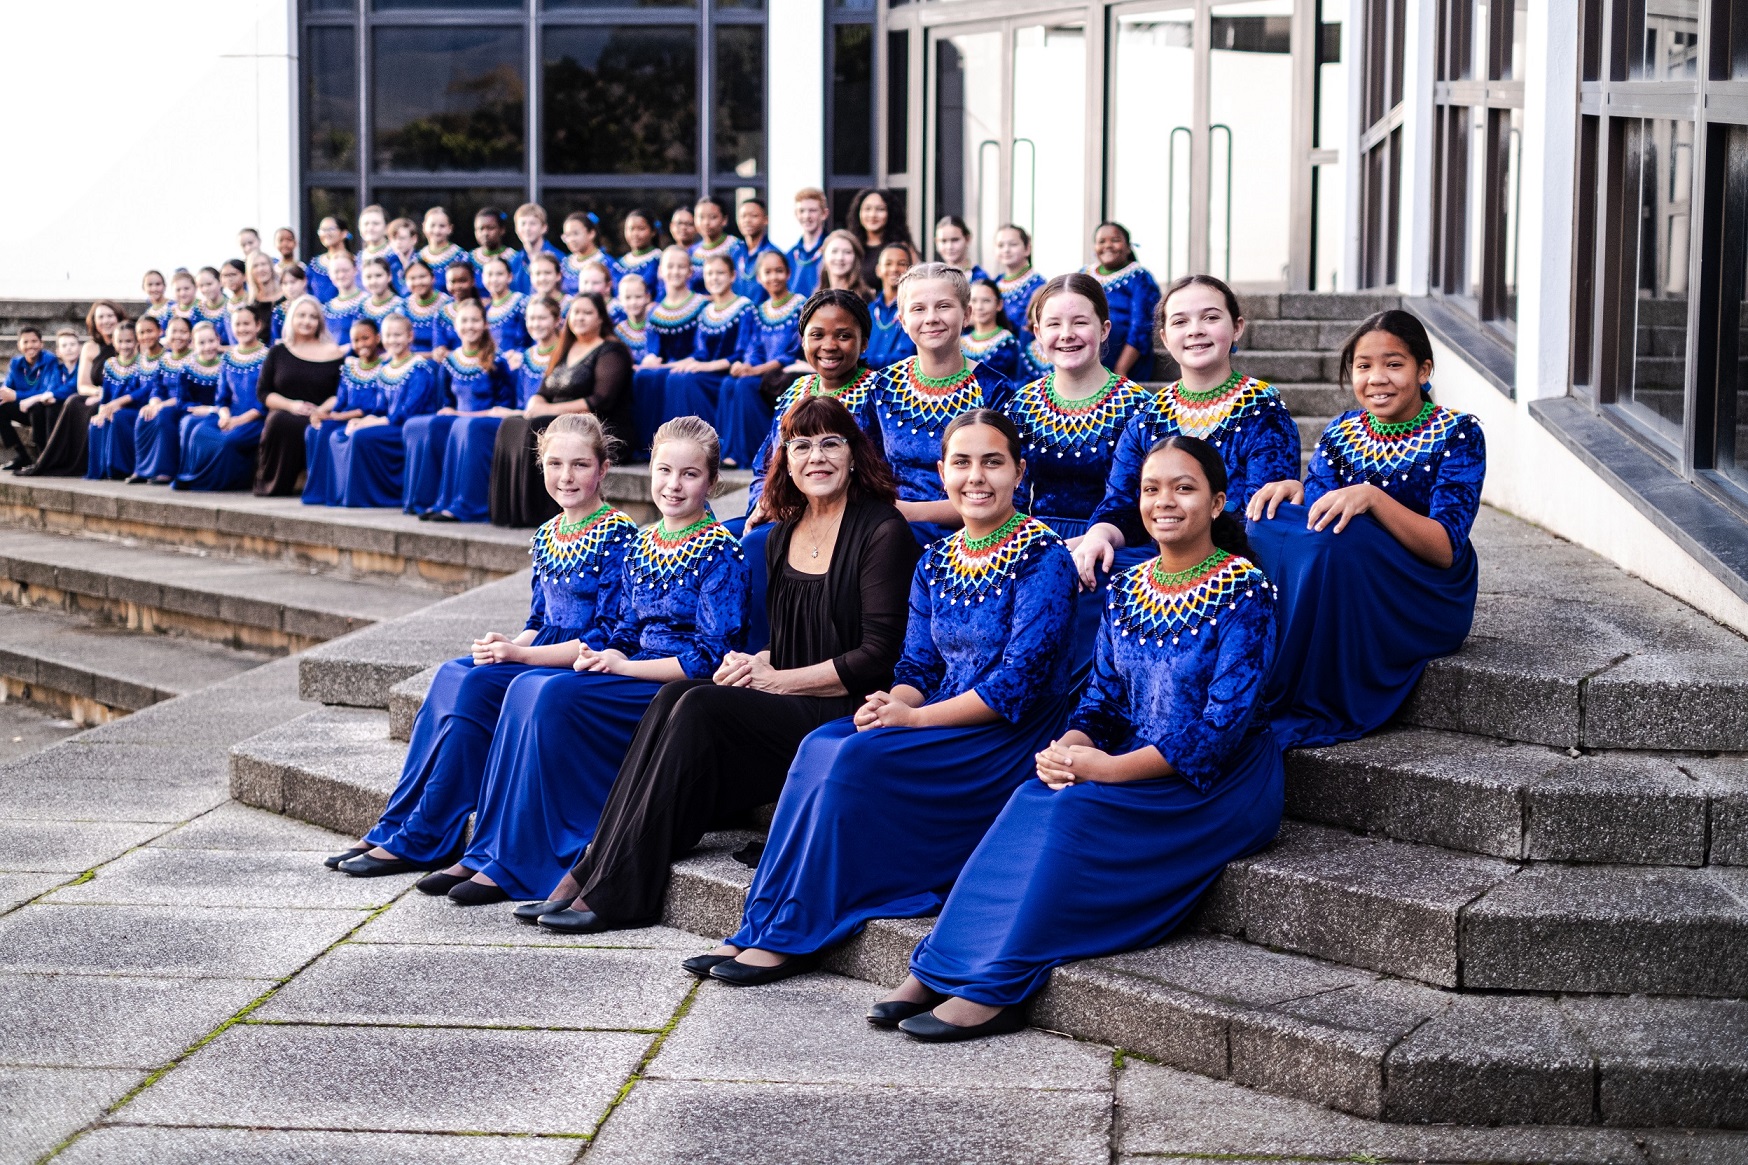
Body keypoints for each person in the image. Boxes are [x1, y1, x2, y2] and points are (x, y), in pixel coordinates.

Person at [888, 435, 1283, 1042]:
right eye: (1151, 489)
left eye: (1183, 488)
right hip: (1135, 758)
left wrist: (1106, 770)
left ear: (1217, 502)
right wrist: (1071, 747)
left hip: (1219, 782)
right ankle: (941, 964)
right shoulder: (1129, 588)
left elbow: (1219, 729)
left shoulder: (1246, 591)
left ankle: (997, 985)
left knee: (1073, 815)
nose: (1164, 501)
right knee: (1032, 796)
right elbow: (1102, 701)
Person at [699, 410, 1077, 983]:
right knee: (822, 744)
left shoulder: (1045, 557)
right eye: (962, 463)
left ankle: (797, 930)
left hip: (1004, 733)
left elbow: (1016, 684)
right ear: (943, 473)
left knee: (852, 761)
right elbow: (917, 665)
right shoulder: (938, 559)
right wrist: (891, 703)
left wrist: (914, 720)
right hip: (937, 712)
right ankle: (762, 920)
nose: (976, 477)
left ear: (1019, 472)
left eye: (992, 462)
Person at [530, 401, 911, 934]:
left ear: (854, 455)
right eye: (801, 446)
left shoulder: (882, 530)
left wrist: (777, 679)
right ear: (786, 460)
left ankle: (622, 889)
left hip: (843, 706)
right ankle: (595, 862)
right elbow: (788, 642)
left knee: (700, 705)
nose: (816, 457)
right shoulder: (785, 532)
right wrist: (754, 661)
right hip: (791, 695)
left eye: (830, 443)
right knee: (674, 696)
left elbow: (877, 656)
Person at [426, 417, 748, 904]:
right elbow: (624, 631)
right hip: (631, 670)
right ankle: (492, 849)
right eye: (664, 471)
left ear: (712, 481)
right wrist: (606, 656)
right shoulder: (644, 544)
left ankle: (538, 856)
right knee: (526, 686)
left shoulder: (722, 552)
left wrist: (623, 666)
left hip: (674, 687)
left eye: (690, 474)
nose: (673, 485)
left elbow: (710, 656)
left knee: (551, 694)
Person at [327, 413, 641, 876]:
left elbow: (606, 635)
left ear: (603, 469)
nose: (566, 476)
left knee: (476, 686)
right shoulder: (548, 532)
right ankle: (396, 822)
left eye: (580, 465)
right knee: (454, 673)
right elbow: (538, 620)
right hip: (540, 648)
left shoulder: (618, 534)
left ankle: (427, 832)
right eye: (555, 464)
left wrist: (521, 655)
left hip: (581, 660)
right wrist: (506, 645)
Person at [1245, 310, 1485, 749]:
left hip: (1428, 591)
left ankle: (1320, 686)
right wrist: (1295, 490)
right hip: (1355, 571)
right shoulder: (1342, 430)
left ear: (1423, 371)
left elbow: (1444, 548)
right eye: (1363, 366)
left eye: (1394, 364)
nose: (1377, 378)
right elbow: (1316, 522)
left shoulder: (1458, 434)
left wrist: (1373, 497)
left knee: (1345, 536)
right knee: (1268, 519)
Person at [1074, 275, 1299, 588]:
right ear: (1165, 338)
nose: (1195, 330)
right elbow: (1121, 506)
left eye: (1210, 318)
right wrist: (1099, 535)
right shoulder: (1146, 419)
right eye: (1180, 321)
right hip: (1155, 560)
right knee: (1088, 567)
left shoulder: (1264, 414)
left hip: (1235, 566)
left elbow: (1261, 520)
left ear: (1237, 327)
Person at [856, 263, 1014, 544]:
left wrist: (909, 513)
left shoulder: (994, 390)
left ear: (967, 314)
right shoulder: (882, 387)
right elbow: (866, 470)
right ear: (902, 320)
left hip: (973, 532)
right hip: (890, 532)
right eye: (918, 309)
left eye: (943, 306)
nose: (931, 318)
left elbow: (1006, 491)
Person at [491, 292, 635, 528]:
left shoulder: (612, 351)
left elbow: (600, 400)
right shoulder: (565, 348)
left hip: (596, 425)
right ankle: (513, 511)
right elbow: (544, 390)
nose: (580, 318)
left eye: (587, 312)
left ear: (600, 318)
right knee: (511, 424)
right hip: (560, 419)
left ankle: (538, 511)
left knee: (536, 425)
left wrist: (550, 409)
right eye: (576, 312)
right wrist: (536, 402)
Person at [318, 313, 443, 507]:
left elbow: (410, 409)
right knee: (339, 435)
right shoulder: (385, 368)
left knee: (361, 437)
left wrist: (377, 422)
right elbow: (380, 407)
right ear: (382, 339)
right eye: (388, 336)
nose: (393, 340)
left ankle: (371, 496)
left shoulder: (419, 368)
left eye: (398, 335)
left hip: (407, 427)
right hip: (388, 422)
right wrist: (363, 420)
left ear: (410, 336)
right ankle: (343, 495)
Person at [404, 298, 513, 517]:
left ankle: (465, 505)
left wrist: (460, 414)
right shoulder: (450, 362)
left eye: (475, 320)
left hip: (487, 421)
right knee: (424, 425)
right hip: (459, 419)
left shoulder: (497, 361)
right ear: (455, 325)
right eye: (464, 321)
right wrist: (451, 412)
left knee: (466, 426)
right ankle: (432, 500)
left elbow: (505, 406)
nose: (469, 326)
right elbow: (446, 402)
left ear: (485, 324)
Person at [715, 251, 804, 469]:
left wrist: (757, 370)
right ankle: (728, 451)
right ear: (759, 278)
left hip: (786, 372)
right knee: (729, 383)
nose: (774, 277)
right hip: (763, 371)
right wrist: (747, 365)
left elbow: (793, 351)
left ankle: (754, 452)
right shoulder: (760, 310)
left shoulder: (799, 305)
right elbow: (754, 346)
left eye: (779, 271)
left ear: (788, 273)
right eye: (768, 272)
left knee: (745, 386)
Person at [247, 298, 344, 496]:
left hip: (321, 414)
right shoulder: (278, 351)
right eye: (302, 315)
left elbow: (341, 393)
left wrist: (320, 411)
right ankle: (279, 482)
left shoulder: (334, 352)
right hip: (286, 412)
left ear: (320, 322)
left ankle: (312, 481)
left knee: (318, 427)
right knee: (278, 421)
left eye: (313, 317)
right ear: (292, 318)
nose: (307, 321)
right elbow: (263, 392)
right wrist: (292, 406)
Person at [19, 301, 121, 478]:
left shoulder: (127, 341)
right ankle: (55, 460)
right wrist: (98, 393)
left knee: (86, 407)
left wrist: (106, 397)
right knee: (73, 402)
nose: (106, 321)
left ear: (118, 317)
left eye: (110, 316)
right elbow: (83, 385)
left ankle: (86, 463)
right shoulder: (90, 347)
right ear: (94, 322)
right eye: (101, 317)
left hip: (120, 395)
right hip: (97, 393)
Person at [174, 310, 272, 492]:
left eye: (246, 324)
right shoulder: (228, 357)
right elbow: (222, 397)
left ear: (257, 325)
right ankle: (194, 477)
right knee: (199, 431)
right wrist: (225, 415)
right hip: (230, 415)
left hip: (255, 419)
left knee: (229, 440)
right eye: (237, 324)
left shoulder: (268, 357)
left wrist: (237, 421)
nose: (242, 329)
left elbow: (264, 402)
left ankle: (227, 482)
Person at [659, 254, 755, 437]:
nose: (714, 278)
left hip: (729, 371)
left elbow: (743, 351)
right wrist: (681, 364)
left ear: (732, 276)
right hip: (708, 371)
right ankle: (677, 437)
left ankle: (707, 437)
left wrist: (708, 366)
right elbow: (701, 352)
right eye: (709, 274)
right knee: (675, 376)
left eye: (720, 273)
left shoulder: (744, 307)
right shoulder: (706, 312)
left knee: (688, 380)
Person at [300, 319, 384, 506]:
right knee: (314, 430)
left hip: (366, 419)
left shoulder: (384, 368)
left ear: (377, 338)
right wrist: (323, 414)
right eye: (356, 340)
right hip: (342, 416)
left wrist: (335, 416)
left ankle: (337, 492)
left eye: (366, 338)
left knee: (329, 432)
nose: (361, 344)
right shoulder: (349, 369)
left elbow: (370, 408)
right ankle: (320, 491)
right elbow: (341, 400)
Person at [631, 247, 707, 452]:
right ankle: (647, 444)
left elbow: (702, 350)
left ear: (690, 271)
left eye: (681, 267)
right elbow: (654, 350)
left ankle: (684, 442)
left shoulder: (701, 304)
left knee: (677, 378)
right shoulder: (655, 311)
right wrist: (650, 359)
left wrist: (666, 365)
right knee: (644, 377)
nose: (675, 271)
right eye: (670, 266)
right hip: (666, 366)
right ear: (660, 271)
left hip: (692, 363)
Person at [1084, 221, 1160, 379]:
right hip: (1088, 349)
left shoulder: (1140, 278)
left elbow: (1141, 327)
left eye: (1115, 240)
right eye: (1101, 241)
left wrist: (1121, 368)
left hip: (1125, 357)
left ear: (1128, 247)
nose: (1108, 245)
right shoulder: (1084, 274)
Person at [132, 316, 203, 483]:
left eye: (183, 332)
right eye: (174, 331)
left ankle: (165, 470)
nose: (178, 336)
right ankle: (142, 469)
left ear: (190, 335)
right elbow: (157, 388)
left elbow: (187, 394)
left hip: (186, 404)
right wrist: (154, 403)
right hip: (164, 405)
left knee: (163, 415)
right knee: (144, 415)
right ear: (166, 334)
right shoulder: (164, 360)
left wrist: (162, 405)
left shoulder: (194, 360)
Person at [85, 319, 144, 480]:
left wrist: (119, 403)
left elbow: (143, 391)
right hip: (113, 407)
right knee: (96, 422)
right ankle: (102, 469)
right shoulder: (110, 364)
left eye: (129, 341)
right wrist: (101, 411)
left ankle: (119, 468)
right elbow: (106, 394)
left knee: (119, 417)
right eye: (120, 341)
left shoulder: (142, 364)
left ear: (136, 342)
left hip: (134, 408)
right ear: (114, 343)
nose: (124, 346)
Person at [0, 326, 52, 470]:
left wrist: (17, 395)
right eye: (26, 342)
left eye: (34, 341)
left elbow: (47, 390)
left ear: (41, 344)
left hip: (44, 409)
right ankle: (21, 456)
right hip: (23, 408)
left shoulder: (49, 360)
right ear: (19, 345)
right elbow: (6, 389)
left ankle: (42, 456)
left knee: (37, 408)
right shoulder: (16, 363)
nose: (30, 345)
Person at [846, 188, 914, 289]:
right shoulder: (851, 246)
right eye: (867, 209)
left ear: (890, 213)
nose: (873, 215)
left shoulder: (901, 248)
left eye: (880, 209)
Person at [865, 242, 918, 371]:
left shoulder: (914, 310)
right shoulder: (869, 310)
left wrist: (861, 362)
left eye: (901, 264)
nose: (894, 269)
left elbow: (905, 357)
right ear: (878, 270)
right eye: (888, 264)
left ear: (910, 270)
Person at [960, 278, 1020, 383]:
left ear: (999, 305)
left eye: (986, 301)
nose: (979, 307)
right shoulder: (961, 343)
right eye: (974, 301)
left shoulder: (1008, 342)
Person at [994, 224, 1046, 344]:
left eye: (1013, 244)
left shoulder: (1038, 286)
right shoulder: (994, 284)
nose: (1006, 250)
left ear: (1027, 248)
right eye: (1000, 245)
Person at [687, 196, 746, 294]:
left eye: (713, 217)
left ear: (724, 220)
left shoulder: (737, 247)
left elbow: (741, 283)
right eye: (701, 217)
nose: (706, 223)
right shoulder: (691, 252)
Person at [510, 202, 565, 294]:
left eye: (532, 223)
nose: (527, 228)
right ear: (516, 229)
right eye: (523, 224)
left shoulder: (559, 258)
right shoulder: (513, 262)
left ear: (544, 228)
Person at [479, 257, 529, 355]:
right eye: (489, 274)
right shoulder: (484, 310)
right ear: (483, 278)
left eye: (499, 274)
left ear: (510, 277)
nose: (494, 279)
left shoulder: (522, 302)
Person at [733, 197, 779, 302]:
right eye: (743, 216)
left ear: (765, 220)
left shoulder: (773, 254)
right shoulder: (735, 253)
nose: (747, 221)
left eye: (754, 216)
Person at [399, 260, 449, 353]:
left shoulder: (447, 304)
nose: (418, 282)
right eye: (412, 278)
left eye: (422, 277)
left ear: (433, 278)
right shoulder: (403, 307)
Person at [608, 208, 663, 293]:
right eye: (631, 229)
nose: (635, 234)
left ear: (653, 231)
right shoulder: (619, 264)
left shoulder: (660, 260)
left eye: (641, 229)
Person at [787, 187, 829, 297]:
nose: (807, 216)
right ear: (796, 214)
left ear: (824, 214)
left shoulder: (832, 251)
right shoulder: (790, 255)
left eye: (812, 210)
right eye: (802, 211)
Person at [320, 253, 366, 348]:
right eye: (336, 272)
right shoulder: (326, 310)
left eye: (345, 270)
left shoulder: (368, 303)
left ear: (355, 270)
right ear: (330, 275)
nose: (341, 275)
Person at [305, 216, 353, 304]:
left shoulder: (355, 262)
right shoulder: (314, 265)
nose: (326, 233)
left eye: (331, 229)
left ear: (344, 233)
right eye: (322, 230)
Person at [558, 211, 607, 296]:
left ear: (591, 233)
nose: (571, 239)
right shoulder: (564, 264)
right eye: (567, 235)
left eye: (575, 234)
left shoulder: (605, 262)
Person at [418, 206, 468, 288]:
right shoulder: (418, 258)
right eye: (432, 225)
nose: (437, 230)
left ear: (450, 228)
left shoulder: (461, 256)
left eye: (442, 226)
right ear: (424, 227)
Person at [818, 230, 873, 302]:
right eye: (834, 251)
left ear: (856, 258)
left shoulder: (865, 297)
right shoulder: (817, 297)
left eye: (847, 252)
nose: (840, 257)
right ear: (824, 256)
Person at [933, 215, 989, 284]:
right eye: (943, 241)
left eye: (955, 240)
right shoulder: (933, 278)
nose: (949, 247)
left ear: (967, 239)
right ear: (936, 242)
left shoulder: (980, 278)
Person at [612, 273, 651, 364]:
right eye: (627, 297)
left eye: (638, 297)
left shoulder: (655, 327)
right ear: (620, 300)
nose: (633, 302)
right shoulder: (618, 332)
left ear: (647, 297)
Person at [359, 257, 405, 333]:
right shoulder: (361, 308)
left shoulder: (400, 305)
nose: (373, 281)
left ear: (389, 276)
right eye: (368, 277)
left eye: (378, 275)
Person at [470, 206, 516, 279]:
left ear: (502, 230)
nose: (485, 233)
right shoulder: (469, 259)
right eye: (480, 229)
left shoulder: (514, 258)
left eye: (490, 228)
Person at [243, 252, 281, 338]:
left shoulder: (286, 296)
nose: (260, 269)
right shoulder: (250, 303)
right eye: (255, 266)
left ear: (271, 267)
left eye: (264, 264)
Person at [193, 268, 234, 345]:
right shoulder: (196, 312)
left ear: (220, 282)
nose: (205, 289)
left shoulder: (232, 307)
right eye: (201, 286)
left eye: (209, 284)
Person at [272, 264, 307, 343]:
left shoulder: (316, 308)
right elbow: (274, 340)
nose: (289, 287)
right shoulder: (279, 312)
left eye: (293, 282)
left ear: (304, 281)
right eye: (285, 283)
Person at [385, 216, 421, 293]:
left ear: (414, 239)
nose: (398, 242)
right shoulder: (388, 262)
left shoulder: (421, 260)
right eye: (394, 238)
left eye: (402, 238)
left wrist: (407, 267)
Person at [356, 204, 393, 274]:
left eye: (376, 223)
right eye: (366, 224)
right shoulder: (358, 259)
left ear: (386, 228)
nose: (370, 228)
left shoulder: (395, 255)